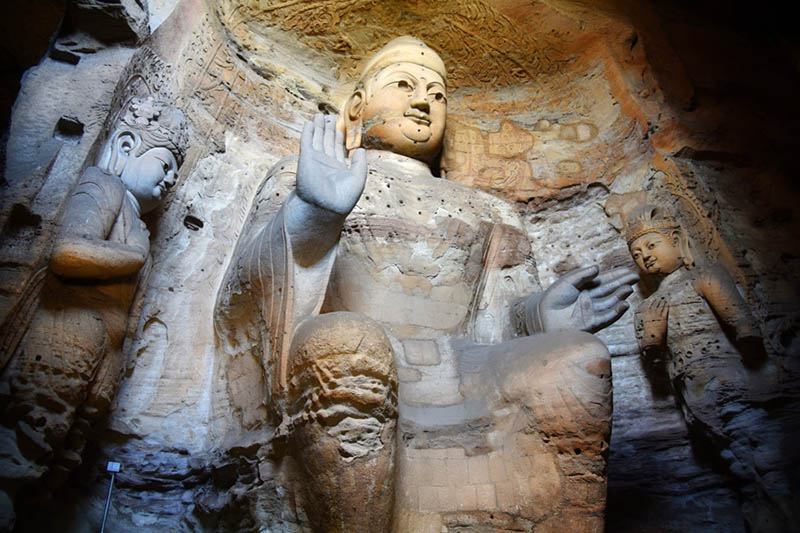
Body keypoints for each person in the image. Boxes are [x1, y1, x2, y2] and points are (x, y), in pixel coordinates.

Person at [215, 36, 637, 530]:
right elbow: (242, 301)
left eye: (437, 95)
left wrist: (541, 318)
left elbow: (497, 317)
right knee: (349, 344)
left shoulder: (491, 209)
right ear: (357, 107)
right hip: (359, 356)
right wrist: (312, 212)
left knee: (578, 360)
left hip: (464, 365)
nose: (423, 102)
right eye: (403, 85)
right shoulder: (303, 175)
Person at [0, 96, 187, 530]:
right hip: (58, 341)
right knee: (18, 448)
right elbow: (68, 251)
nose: (172, 179)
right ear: (125, 147)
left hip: (95, 359)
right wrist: (133, 257)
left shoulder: (139, 228)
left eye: (176, 171)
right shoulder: (102, 187)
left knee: (47, 461)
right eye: (165, 164)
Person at [626, 204, 796, 532]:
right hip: (696, 396)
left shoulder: (703, 277)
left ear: (676, 240)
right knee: (741, 469)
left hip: (733, 382)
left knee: (770, 463)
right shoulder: (648, 307)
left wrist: (747, 354)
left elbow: (744, 328)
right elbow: (656, 368)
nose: (644, 256)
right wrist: (651, 338)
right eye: (636, 253)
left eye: (651, 245)